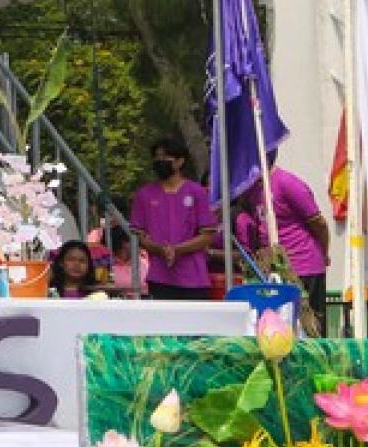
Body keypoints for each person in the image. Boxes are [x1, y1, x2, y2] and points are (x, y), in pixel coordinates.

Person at [236, 157, 331, 325]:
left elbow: (319, 223)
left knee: (310, 326)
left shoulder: (287, 183)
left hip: (303, 266)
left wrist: (324, 253)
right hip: (275, 271)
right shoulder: (253, 190)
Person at [129, 139, 217, 300]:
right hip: (159, 277)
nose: (159, 161)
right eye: (157, 157)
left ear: (179, 161)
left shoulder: (196, 192)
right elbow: (140, 236)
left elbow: (207, 235)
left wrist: (177, 250)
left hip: (194, 277)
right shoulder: (144, 194)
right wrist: (160, 250)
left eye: (165, 157)